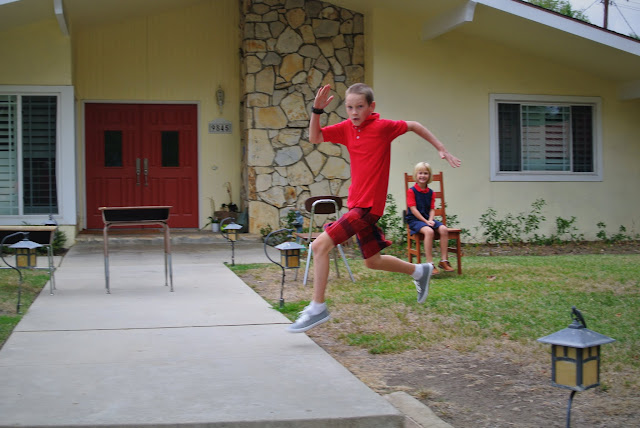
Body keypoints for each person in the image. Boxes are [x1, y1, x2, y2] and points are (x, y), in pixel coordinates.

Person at [286, 83, 461, 333]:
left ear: (371, 107)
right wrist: (317, 111)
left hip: (368, 207)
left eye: (359, 107)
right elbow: (315, 137)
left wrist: (441, 148)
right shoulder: (347, 129)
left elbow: (414, 125)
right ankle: (419, 271)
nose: (354, 112)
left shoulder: (383, 128)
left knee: (318, 246)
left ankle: (317, 307)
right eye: (349, 107)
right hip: (357, 204)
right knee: (373, 261)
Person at [406, 162, 455, 274]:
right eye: (420, 173)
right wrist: (426, 221)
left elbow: (432, 209)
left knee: (443, 229)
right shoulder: (411, 191)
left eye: (426, 173)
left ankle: (444, 261)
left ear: (429, 176)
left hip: (427, 219)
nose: (423, 176)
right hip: (415, 220)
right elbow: (413, 210)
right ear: (416, 175)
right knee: (429, 231)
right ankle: (429, 264)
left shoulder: (431, 193)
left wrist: (431, 220)